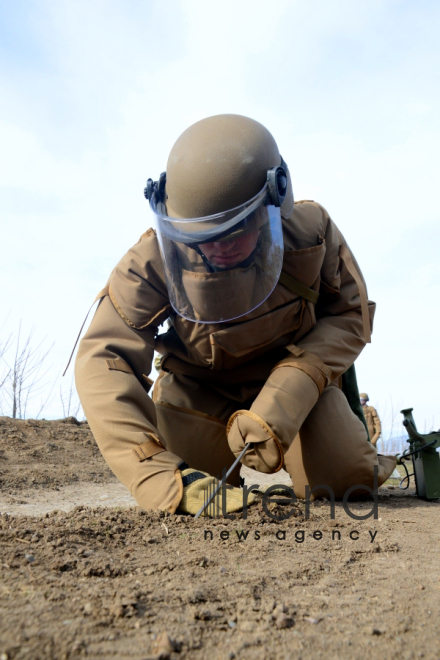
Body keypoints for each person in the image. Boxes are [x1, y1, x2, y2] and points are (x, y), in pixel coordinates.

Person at [75, 114, 396, 515]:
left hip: (297, 383)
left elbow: (351, 314)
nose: (219, 247)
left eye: (237, 229)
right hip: (199, 389)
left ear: (276, 199)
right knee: (189, 493)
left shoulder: (310, 232)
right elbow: (103, 360)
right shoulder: (149, 264)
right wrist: (155, 473)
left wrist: (292, 389)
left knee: (346, 482)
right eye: (201, 235)